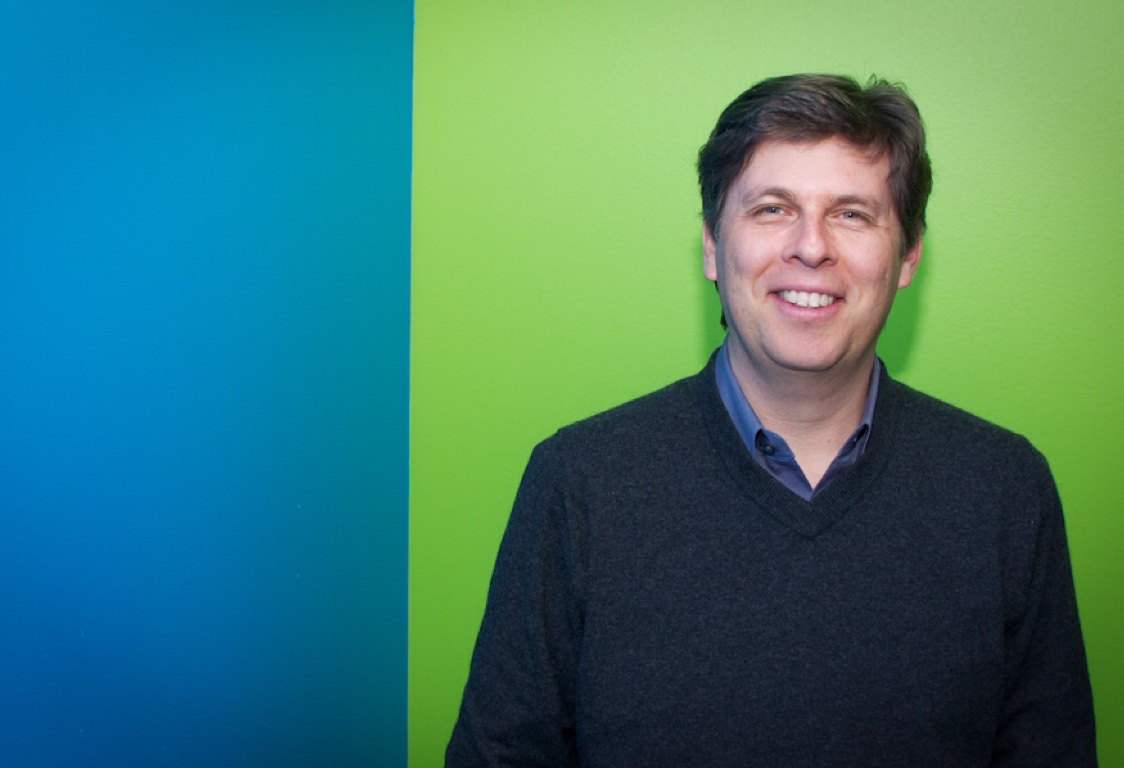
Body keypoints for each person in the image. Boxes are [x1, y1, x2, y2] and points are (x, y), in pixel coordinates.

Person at [446, 74, 1096, 767]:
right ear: (711, 245)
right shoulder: (580, 484)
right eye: (772, 209)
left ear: (907, 255)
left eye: (852, 214)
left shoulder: (1005, 490)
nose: (811, 247)